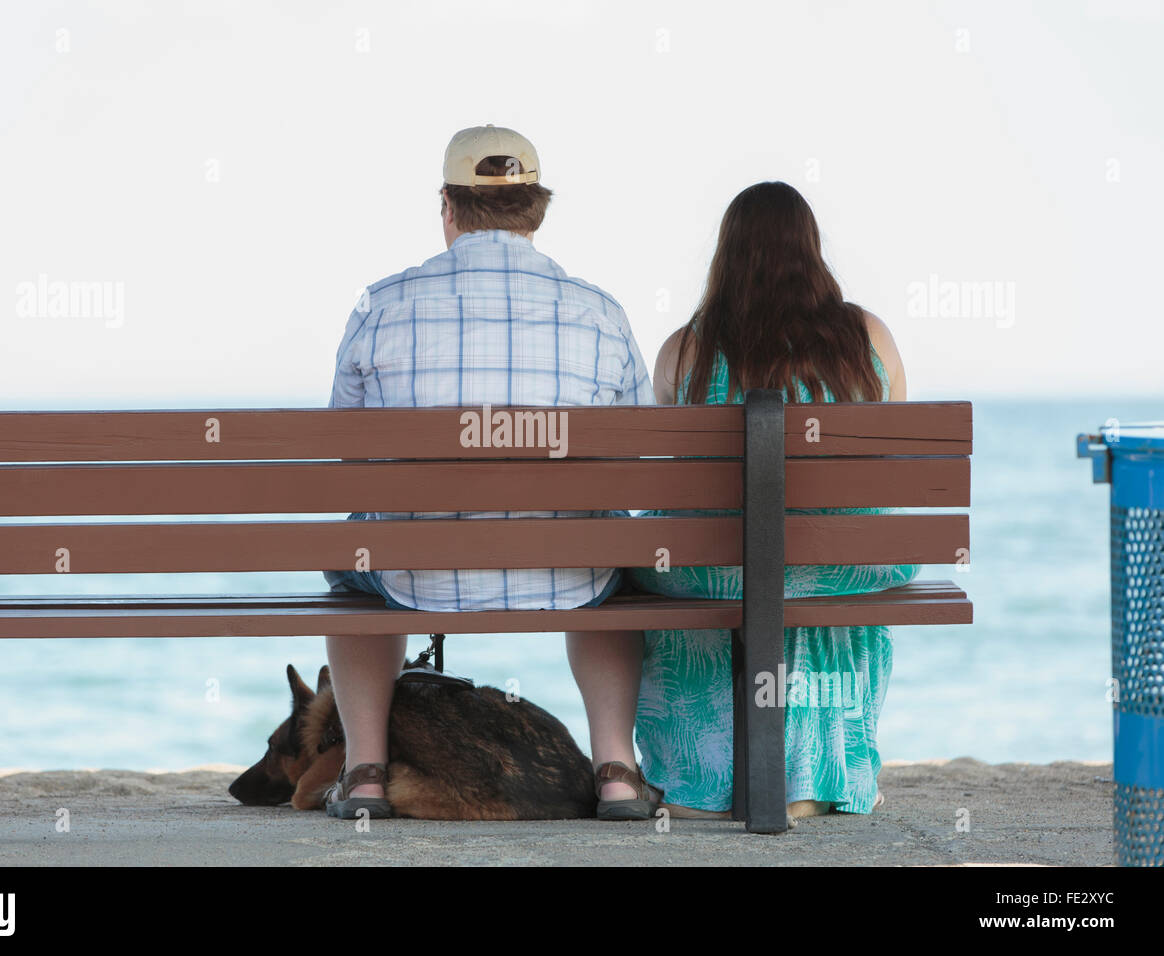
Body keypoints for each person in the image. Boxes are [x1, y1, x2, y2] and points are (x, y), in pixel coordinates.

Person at [321, 125, 661, 820]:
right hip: (571, 573)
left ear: (448, 207)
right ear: (536, 209)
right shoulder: (600, 316)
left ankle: (364, 773)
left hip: (410, 571)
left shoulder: (379, 307)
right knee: (613, 555)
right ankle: (617, 771)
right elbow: (635, 465)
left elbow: (347, 461)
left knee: (353, 558)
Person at [628, 181, 918, 819]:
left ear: (726, 255)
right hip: (849, 559)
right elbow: (884, 466)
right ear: (812, 252)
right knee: (813, 571)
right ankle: (813, 780)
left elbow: (674, 481)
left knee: (694, 568)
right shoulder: (868, 338)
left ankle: (704, 781)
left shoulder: (686, 349)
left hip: (714, 564)